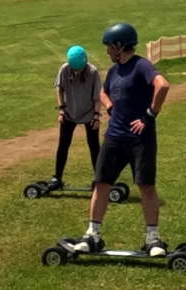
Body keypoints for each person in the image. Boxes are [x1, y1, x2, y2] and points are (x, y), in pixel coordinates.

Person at [73, 23, 171, 256]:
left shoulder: (141, 66)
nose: (107, 51)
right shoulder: (114, 71)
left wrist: (149, 115)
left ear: (119, 45)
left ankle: (153, 239)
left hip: (140, 138)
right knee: (101, 183)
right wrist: (110, 107)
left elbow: (163, 85)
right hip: (114, 137)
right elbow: (103, 92)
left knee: (146, 186)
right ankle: (92, 235)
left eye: (108, 46)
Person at [45, 45, 101, 191]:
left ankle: (100, 178)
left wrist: (96, 116)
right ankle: (57, 177)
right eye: (74, 69)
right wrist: (62, 110)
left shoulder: (93, 72)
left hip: (89, 113)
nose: (77, 72)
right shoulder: (65, 69)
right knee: (63, 144)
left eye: (79, 69)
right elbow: (59, 89)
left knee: (94, 145)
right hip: (69, 113)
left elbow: (97, 96)